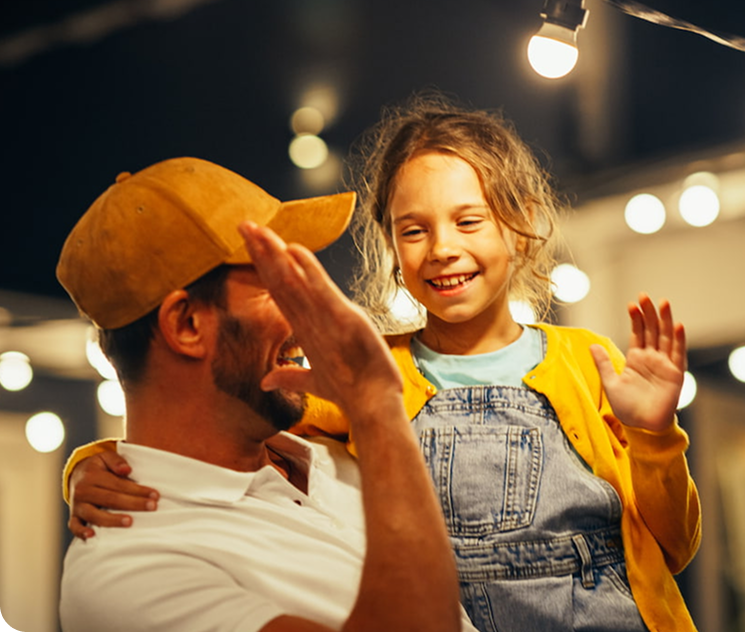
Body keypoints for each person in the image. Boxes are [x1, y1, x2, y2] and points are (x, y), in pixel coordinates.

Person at [67, 95, 702, 631]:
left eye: (469, 220)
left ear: (522, 226)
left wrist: (654, 439)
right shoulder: (133, 570)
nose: (443, 248)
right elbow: (185, 442)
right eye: (273, 280)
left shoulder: (324, 456)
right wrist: (102, 464)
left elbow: (665, 545)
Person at [55, 156, 473, 632]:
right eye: (279, 285)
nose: (309, 315)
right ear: (187, 324)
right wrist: (377, 408)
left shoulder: (331, 449)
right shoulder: (124, 574)